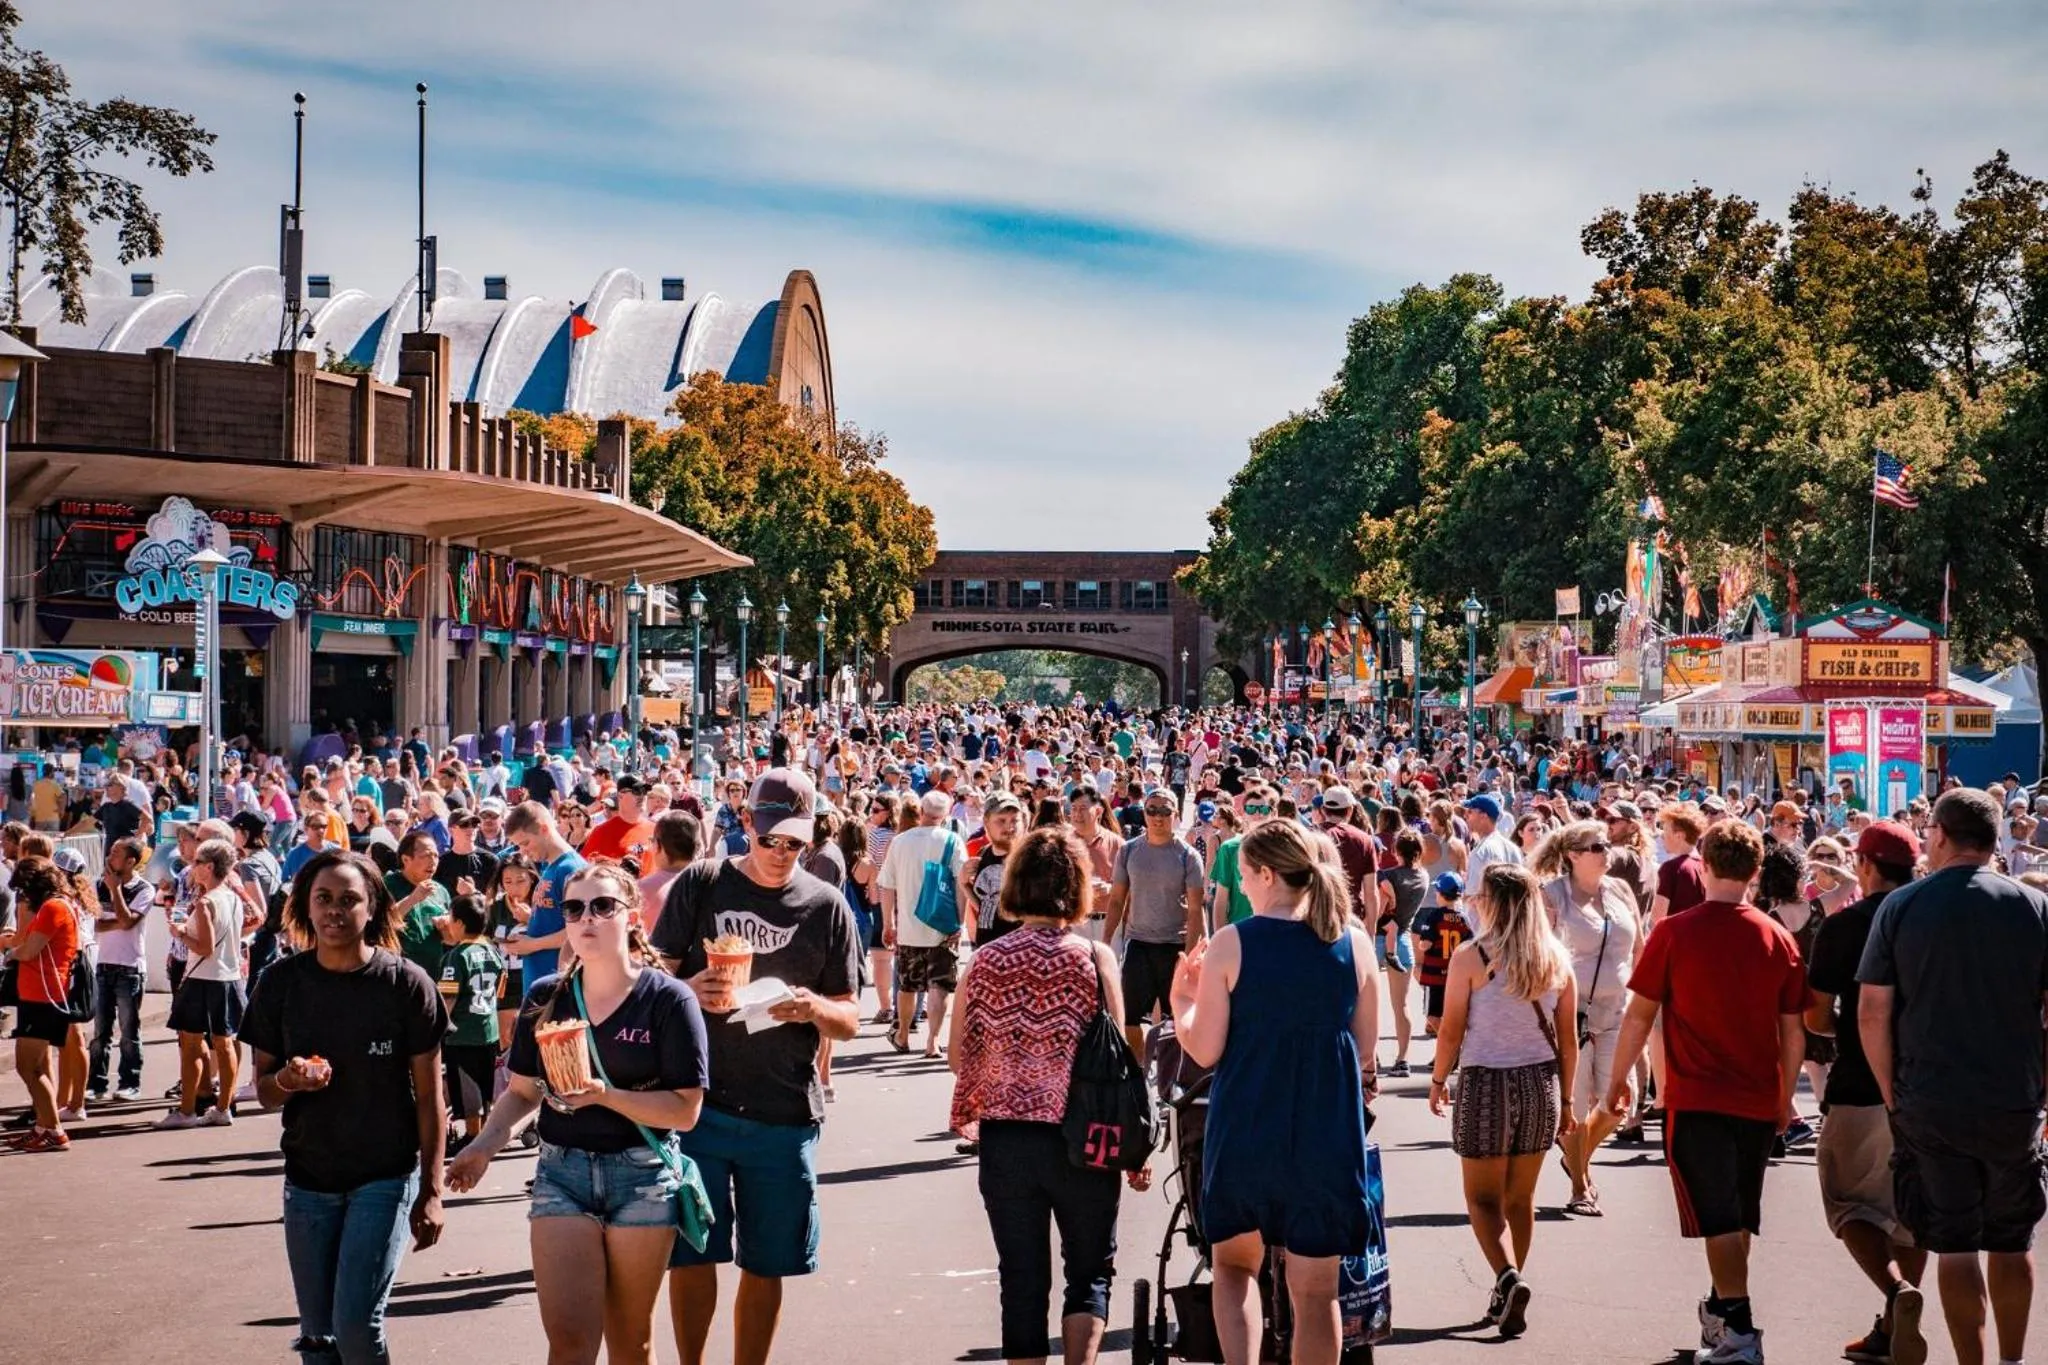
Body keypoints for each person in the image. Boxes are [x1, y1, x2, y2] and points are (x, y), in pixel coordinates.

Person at [449, 860, 709, 1365]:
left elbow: (685, 1111)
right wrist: (483, 1146)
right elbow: (523, 1092)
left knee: (631, 1344)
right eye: (574, 908)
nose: (586, 917)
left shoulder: (669, 1000)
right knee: (569, 1344)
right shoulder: (545, 998)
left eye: (602, 906)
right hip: (562, 1173)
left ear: (632, 917)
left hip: (642, 1176)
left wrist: (604, 1095)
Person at [650, 768, 861, 1365]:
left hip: (783, 1108)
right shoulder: (703, 882)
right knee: (693, 1253)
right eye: (770, 839)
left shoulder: (826, 906)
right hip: (698, 1107)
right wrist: (689, 987)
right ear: (746, 825)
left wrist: (812, 1006)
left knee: (767, 1263)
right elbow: (654, 977)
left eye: (794, 842)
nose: (779, 853)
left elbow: (849, 1017)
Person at [1169, 819, 1380, 1365]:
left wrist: (1182, 1004)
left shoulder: (1233, 943)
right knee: (1317, 1293)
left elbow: (1205, 1050)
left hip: (1248, 1119)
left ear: (1265, 874)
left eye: (1244, 878)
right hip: (1326, 1127)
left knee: (1236, 1268)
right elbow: (1364, 1052)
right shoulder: (1353, 943)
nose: (1242, 888)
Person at [1857, 788, 2048, 1365]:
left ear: (1938, 834)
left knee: (1957, 1246)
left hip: (1930, 1098)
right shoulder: (2033, 906)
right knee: (2012, 1242)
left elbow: (1873, 1012)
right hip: (2012, 1098)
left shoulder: (1902, 906)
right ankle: (2013, 1361)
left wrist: (1892, 1093)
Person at [1605, 818, 1806, 1365]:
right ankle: (1722, 1312)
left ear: (1706, 866)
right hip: (1758, 1098)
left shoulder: (1674, 933)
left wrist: (1618, 1079)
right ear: (1755, 873)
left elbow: (1639, 1015)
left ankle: (1739, 1329)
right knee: (1738, 1216)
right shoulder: (1777, 937)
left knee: (1718, 1218)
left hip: (1697, 1099)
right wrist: (1786, 1097)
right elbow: (1793, 1031)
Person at [948, 827, 1148, 1365]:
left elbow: (956, 1057)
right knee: (1088, 1272)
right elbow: (1116, 1063)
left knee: (1021, 1277)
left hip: (1007, 1140)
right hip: (1084, 1136)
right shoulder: (1093, 957)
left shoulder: (986, 961)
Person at [240, 849, 449, 1364]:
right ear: (305, 907)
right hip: (309, 1180)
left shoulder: (406, 984)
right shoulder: (280, 983)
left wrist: (431, 1191)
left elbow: (431, 1099)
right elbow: (264, 1092)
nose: (335, 910)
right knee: (318, 1337)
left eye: (349, 900)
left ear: (373, 907)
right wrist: (289, 1079)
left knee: (354, 1326)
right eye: (324, 899)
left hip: (385, 1176)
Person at [1429, 863, 1577, 1334]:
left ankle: (1506, 1275)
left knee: (1481, 1197)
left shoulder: (1473, 957)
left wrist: (1437, 1080)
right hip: (1541, 1084)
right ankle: (1509, 1283)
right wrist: (1569, 1101)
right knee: (1521, 1196)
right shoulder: (1556, 958)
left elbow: (1451, 1030)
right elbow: (1568, 1039)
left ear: (1493, 904)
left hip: (1486, 1083)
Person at [1804, 821, 1928, 1365]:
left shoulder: (1846, 925)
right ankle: (1890, 1324)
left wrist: (1842, 1031)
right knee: (1910, 1212)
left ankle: (1896, 1294)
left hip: (1858, 1083)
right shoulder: (1934, 922)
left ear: (1866, 866)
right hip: (1926, 1087)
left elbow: (1815, 1012)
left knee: (1849, 1203)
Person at [1534, 820, 1639, 1217]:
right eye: (1596, 847)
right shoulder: (1551, 896)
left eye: (1605, 844)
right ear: (1573, 856)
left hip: (1618, 1010)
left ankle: (1576, 1160)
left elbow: (1639, 946)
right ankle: (1580, 1185)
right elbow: (1540, 955)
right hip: (1569, 1014)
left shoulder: (1620, 891)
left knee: (1618, 1102)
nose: (1605, 850)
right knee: (1574, 1108)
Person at [157, 837, 251, 1130]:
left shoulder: (207, 901)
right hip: (228, 977)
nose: (192, 866)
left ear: (209, 867)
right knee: (224, 1044)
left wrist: (180, 932)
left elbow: (205, 947)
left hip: (202, 978)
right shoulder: (232, 897)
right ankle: (222, 1107)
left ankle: (187, 1110)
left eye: (197, 862)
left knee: (192, 1044)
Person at [1102, 787, 1205, 1056]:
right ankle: (1137, 1071)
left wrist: (1191, 955)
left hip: (1174, 945)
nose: (1158, 817)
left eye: (1164, 811)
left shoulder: (1188, 855)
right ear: (1144, 813)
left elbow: (1196, 910)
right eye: (1152, 810)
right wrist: (1105, 941)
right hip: (1138, 943)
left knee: (1176, 1018)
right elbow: (1116, 900)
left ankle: (1170, 1079)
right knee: (1130, 1016)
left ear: (1176, 814)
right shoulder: (1128, 851)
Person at [1, 856, 83, 1152]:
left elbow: (30, 950)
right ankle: (45, 1127)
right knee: (34, 1067)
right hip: (44, 994)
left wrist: (10, 953)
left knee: (28, 1067)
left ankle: (53, 1130)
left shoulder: (52, 908)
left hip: (43, 995)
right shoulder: (63, 904)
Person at [878, 789, 967, 1057]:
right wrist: (959, 923)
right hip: (943, 927)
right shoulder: (952, 841)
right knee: (940, 985)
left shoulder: (901, 841)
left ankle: (903, 1034)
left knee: (907, 985)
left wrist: (887, 923)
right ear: (946, 814)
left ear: (921, 811)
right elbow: (961, 885)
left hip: (908, 926)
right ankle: (933, 1041)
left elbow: (886, 885)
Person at [436, 894, 506, 1152]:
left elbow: (448, 996)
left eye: (451, 920)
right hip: (488, 1028)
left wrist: (437, 1025)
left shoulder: (457, 957)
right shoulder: (493, 951)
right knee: (486, 1081)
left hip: (462, 1031)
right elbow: (499, 990)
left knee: (467, 1084)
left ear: (461, 923)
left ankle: (473, 1135)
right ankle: (487, 1131)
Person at [88, 835, 154, 1103]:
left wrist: (115, 892)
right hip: (103, 965)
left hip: (130, 968)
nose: (109, 857)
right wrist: (120, 919)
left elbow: (128, 923)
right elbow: (95, 925)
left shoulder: (144, 890)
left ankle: (130, 1082)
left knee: (129, 1032)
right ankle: (96, 1083)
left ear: (130, 862)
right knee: (99, 1032)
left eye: (116, 854)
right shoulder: (97, 886)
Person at [503, 802, 587, 987]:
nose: (523, 851)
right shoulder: (551, 867)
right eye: (518, 846)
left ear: (543, 829)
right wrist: (530, 919)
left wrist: (532, 944)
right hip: (539, 980)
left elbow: (580, 929)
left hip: (557, 983)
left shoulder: (571, 869)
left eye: (525, 843)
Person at [1373, 827, 1428, 1077]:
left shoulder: (1387, 876)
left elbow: (1378, 910)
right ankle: (1402, 1058)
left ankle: (1369, 1056)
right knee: (1401, 1004)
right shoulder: (1424, 877)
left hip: (1377, 939)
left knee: (1367, 1002)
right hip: (1404, 939)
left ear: (1396, 850)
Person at [385, 830, 452, 981]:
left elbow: (451, 939)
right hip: (398, 974)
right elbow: (383, 922)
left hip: (433, 974)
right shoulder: (387, 886)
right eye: (426, 856)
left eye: (435, 855)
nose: (433, 861)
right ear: (406, 859)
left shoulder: (441, 891)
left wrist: (447, 929)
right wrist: (413, 898)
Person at [1411, 872, 1473, 1037]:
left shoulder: (1435, 916)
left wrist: (1420, 943)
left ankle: (1451, 1042)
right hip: (1456, 975)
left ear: (1440, 893)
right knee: (1453, 1014)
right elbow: (1471, 945)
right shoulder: (1464, 919)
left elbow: (1425, 944)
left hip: (1435, 977)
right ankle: (1450, 1048)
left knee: (1433, 1015)